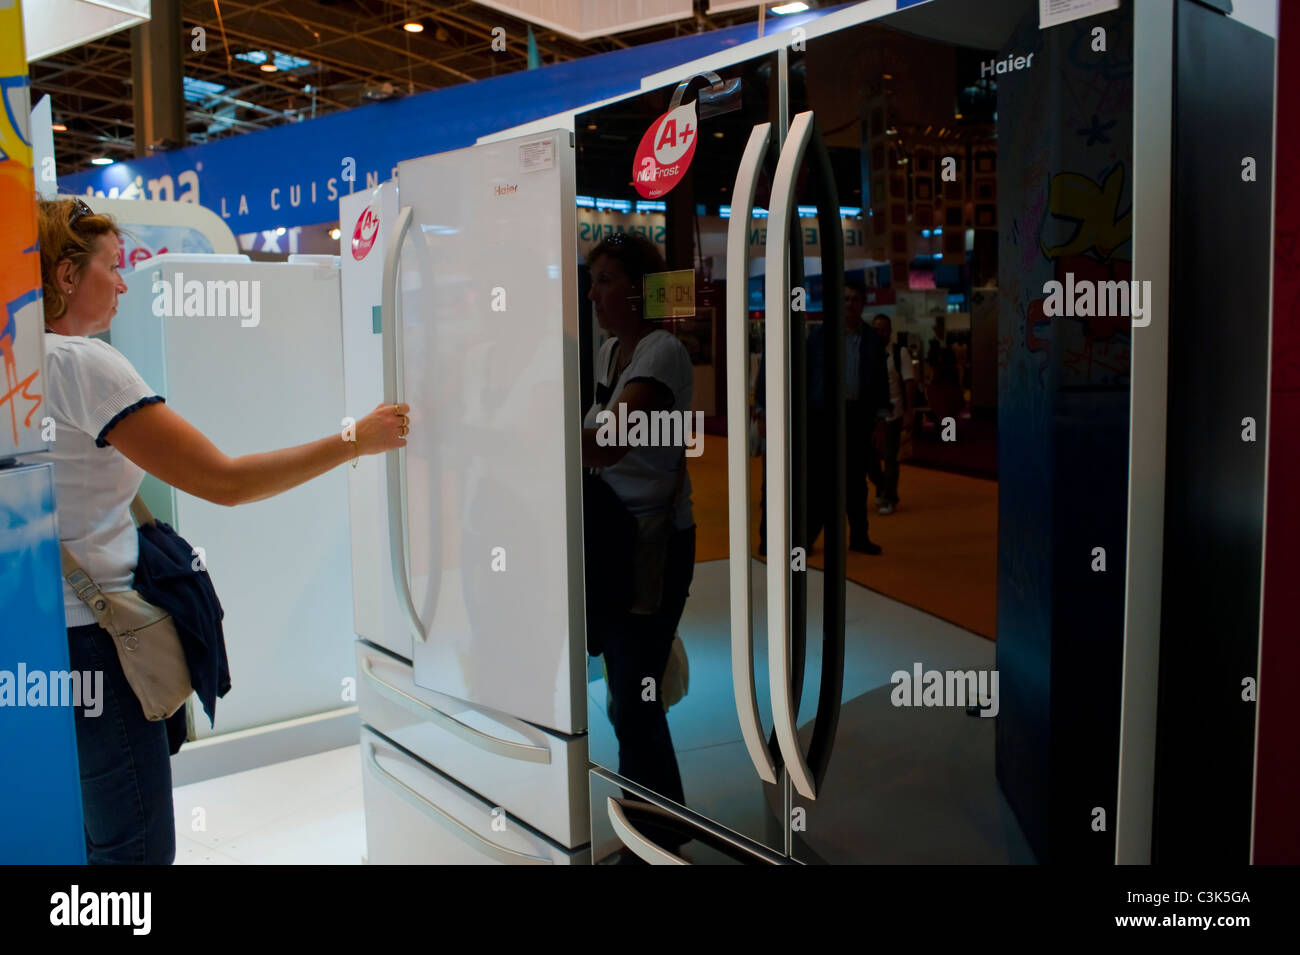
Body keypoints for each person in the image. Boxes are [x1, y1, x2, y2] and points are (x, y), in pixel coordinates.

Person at [28, 197, 410, 865]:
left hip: (40, 644)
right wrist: (356, 438)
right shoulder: (83, 367)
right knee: (135, 855)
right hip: (99, 648)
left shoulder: (20, 369)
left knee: (86, 844)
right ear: (65, 275)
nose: (122, 283)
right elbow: (226, 481)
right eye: (111, 268)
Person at [580, 233, 694, 831]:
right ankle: (660, 828)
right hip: (614, 542)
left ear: (637, 289)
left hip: (653, 546)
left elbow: (607, 442)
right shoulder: (609, 353)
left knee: (634, 698)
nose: (593, 293)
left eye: (604, 280)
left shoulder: (661, 351)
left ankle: (655, 833)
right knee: (629, 694)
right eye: (593, 279)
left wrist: (535, 439)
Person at [804, 279, 890, 555]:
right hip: (823, 416)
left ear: (862, 303)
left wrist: (880, 420)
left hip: (858, 416)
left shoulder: (873, 340)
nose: (850, 304)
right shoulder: (818, 337)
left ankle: (859, 537)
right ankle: (807, 537)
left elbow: (880, 382)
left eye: (855, 299)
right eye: (845, 298)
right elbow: (805, 376)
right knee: (820, 480)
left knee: (856, 480)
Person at [869, 314, 915, 515]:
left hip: (893, 412)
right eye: (876, 330)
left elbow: (909, 383)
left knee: (890, 457)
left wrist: (908, 411)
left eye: (884, 329)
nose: (880, 333)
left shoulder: (899, 352)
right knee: (868, 457)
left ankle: (889, 497)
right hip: (870, 414)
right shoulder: (867, 353)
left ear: (890, 332)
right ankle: (882, 485)